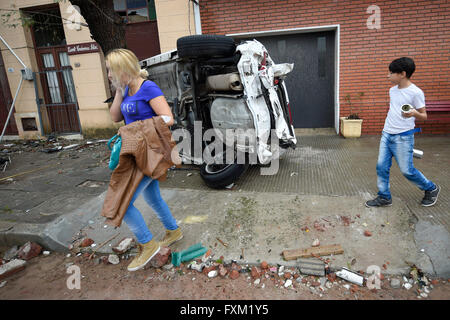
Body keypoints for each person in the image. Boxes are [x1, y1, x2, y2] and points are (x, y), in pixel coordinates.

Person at [105, 48, 183, 271]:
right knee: (152, 196)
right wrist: (119, 91)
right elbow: (115, 117)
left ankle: (148, 245)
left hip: (151, 153)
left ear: (123, 68)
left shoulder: (147, 87)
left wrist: (137, 128)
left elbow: (168, 118)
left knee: (123, 203)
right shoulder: (128, 90)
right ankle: (174, 231)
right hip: (135, 153)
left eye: (112, 70)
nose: (109, 74)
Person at [365, 57, 440, 208]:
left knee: (407, 170)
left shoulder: (416, 92)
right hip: (387, 134)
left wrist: (413, 113)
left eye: (391, 73)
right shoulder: (392, 90)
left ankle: (431, 188)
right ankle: (384, 196)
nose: (388, 75)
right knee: (381, 167)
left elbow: (424, 116)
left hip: (404, 137)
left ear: (402, 74)